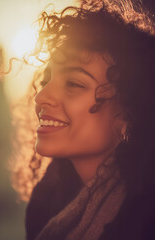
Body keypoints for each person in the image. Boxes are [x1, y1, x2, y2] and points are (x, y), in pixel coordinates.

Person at [11, 0, 155, 239]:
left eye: (74, 83)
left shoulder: (146, 221)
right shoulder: (44, 203)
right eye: (47, 78)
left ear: (130, 112)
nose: (42, 96)